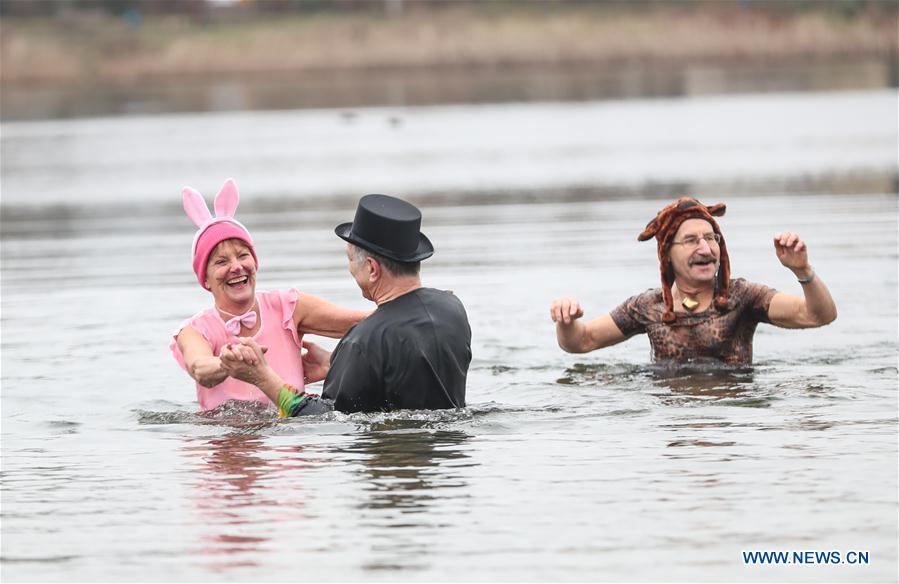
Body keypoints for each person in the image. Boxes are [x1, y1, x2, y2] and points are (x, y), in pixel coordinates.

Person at [219, 194, 472, 416]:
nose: (350, 268)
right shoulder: (452, 308)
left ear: (372, 269)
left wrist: (263, 377)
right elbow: (412, 369)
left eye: (350, 259)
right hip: (448, 450)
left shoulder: (362, 341)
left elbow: (321, 419)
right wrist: (337, 364)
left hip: (396, 452)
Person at [550, 197, 837, 364]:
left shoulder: (742, 297)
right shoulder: (650, 307)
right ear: (667, 254)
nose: (705, 248)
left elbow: (819, 315)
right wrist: (566, 321)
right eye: (691, 240)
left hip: (732, 415)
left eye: (711, 238)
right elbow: (581, 342)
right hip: (672, 419)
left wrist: (802, 270)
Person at [170, 178, 368, 411]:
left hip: (294, 428)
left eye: (243, 255)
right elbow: (199, 367)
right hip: (225, 432)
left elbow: (366, 324)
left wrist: (335, 363)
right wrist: (230, 363)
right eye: (221, 262)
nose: (236, 267)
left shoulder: (288, 306)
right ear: (205, 279)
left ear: (255, 262)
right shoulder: (194, 330)